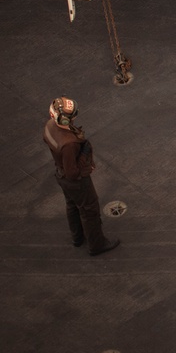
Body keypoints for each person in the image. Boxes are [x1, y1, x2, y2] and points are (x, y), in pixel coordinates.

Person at [41, 97, 120, 256]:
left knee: (72, 204)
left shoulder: (49, 126)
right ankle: (97, 245)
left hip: (60, 174)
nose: (75, 117)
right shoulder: (69, 143)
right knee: (89, 210)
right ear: (63, 118)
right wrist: (83, 156)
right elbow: (73, 173)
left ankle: (77, 238)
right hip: (76, 182)